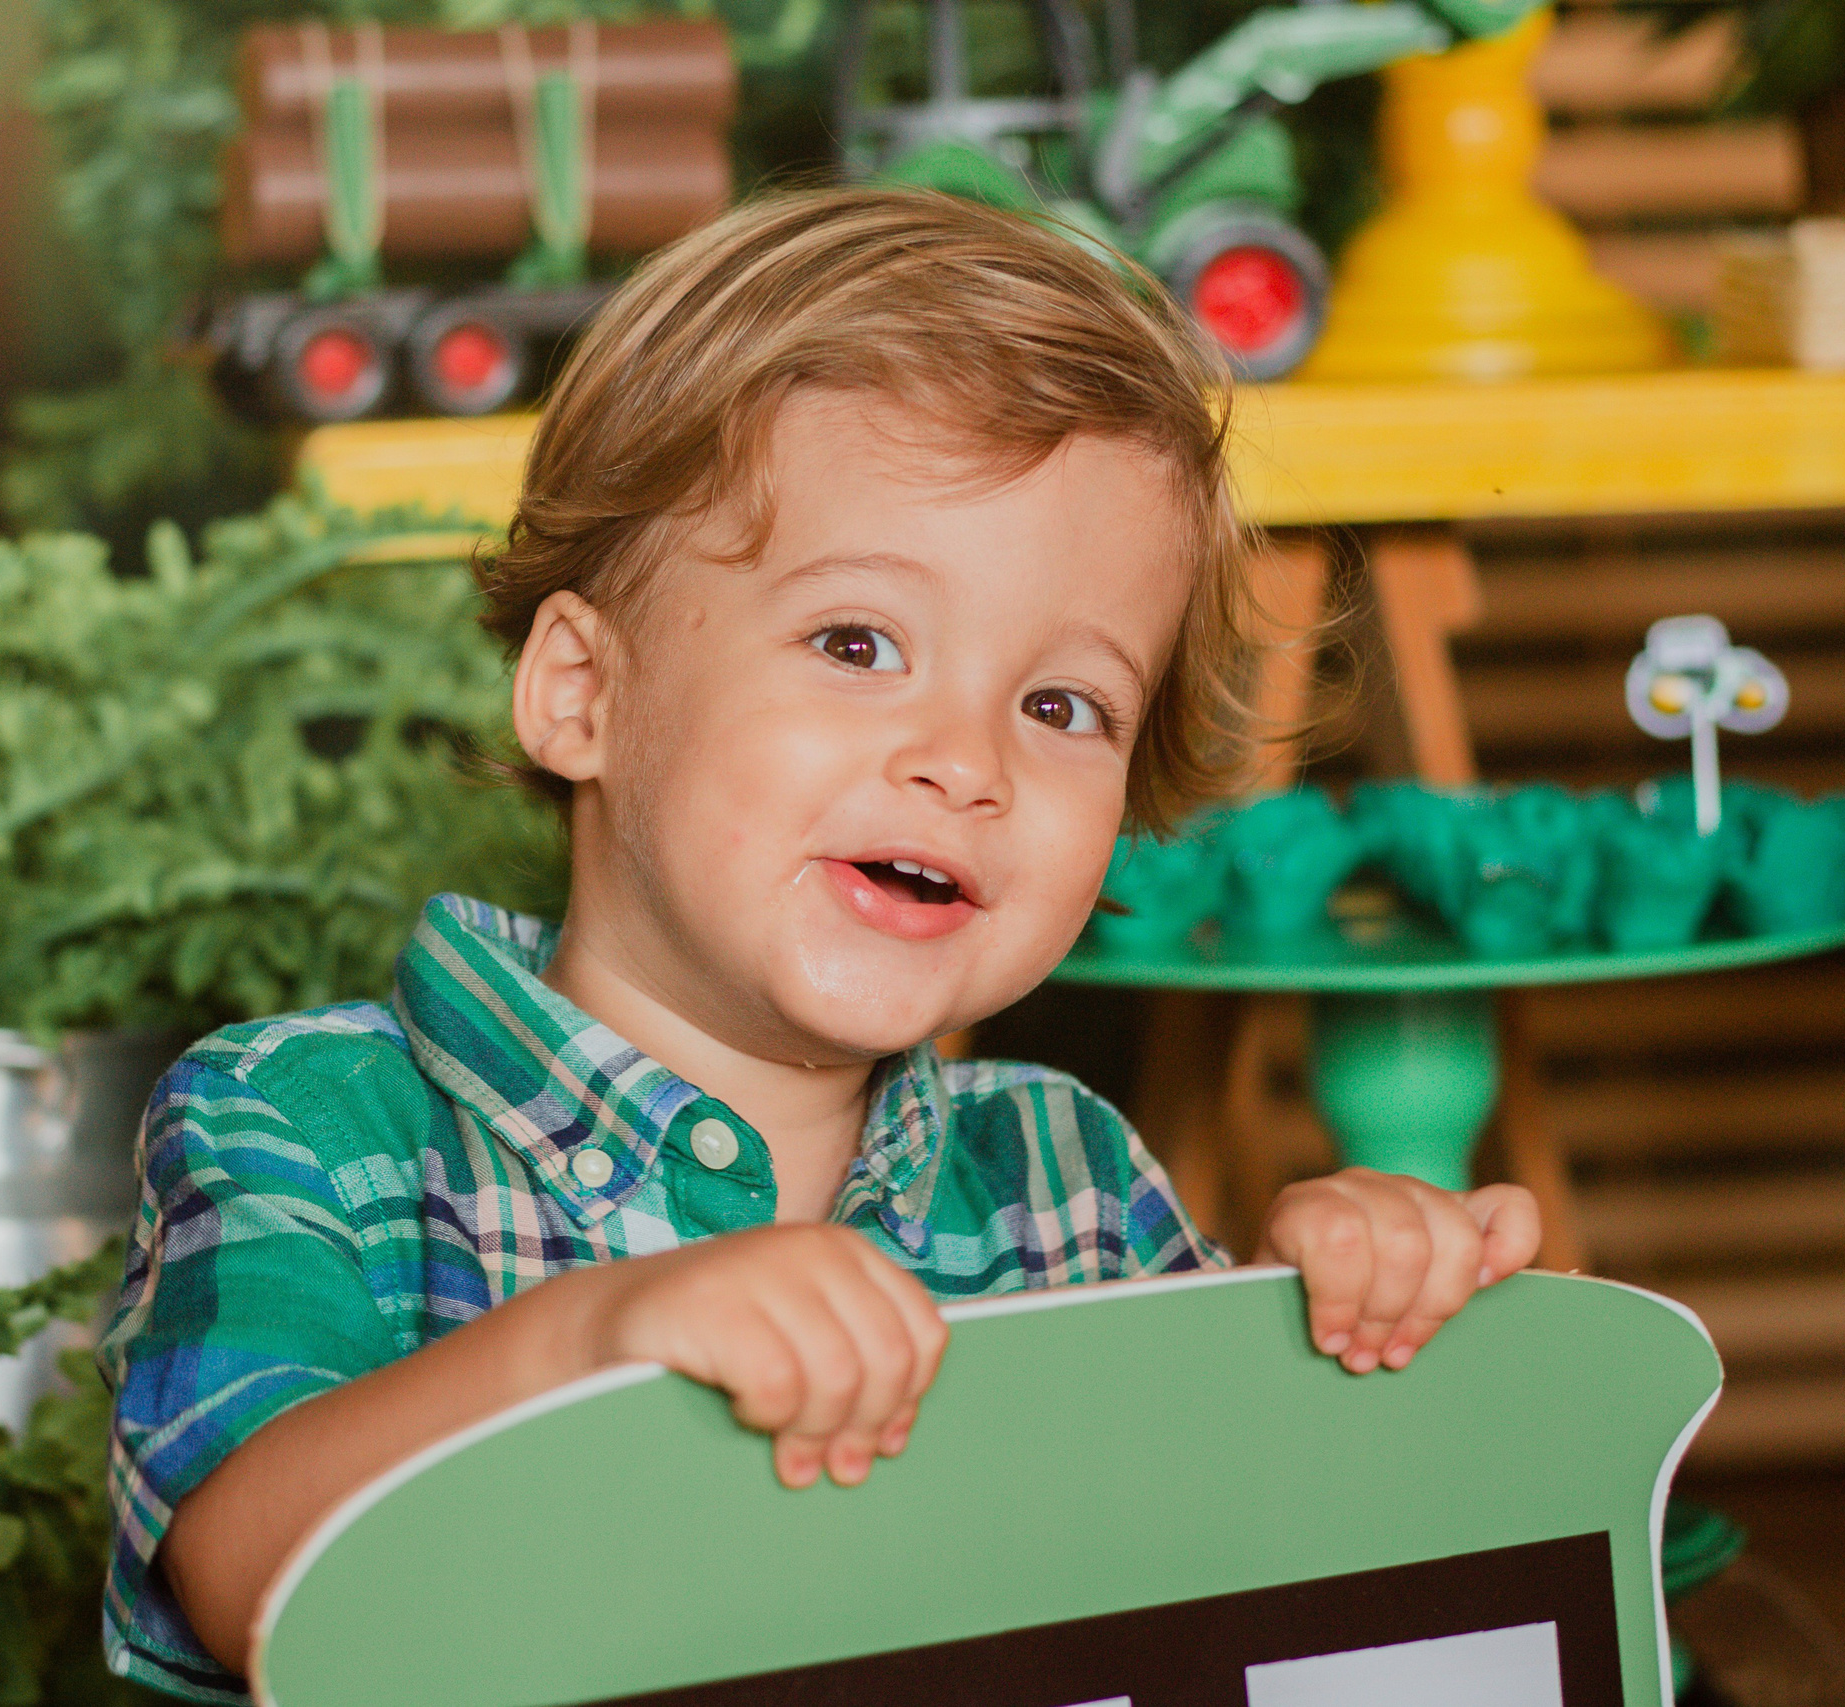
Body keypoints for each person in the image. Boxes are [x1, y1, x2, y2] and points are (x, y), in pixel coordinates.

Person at [98, 186, 1542, 1703]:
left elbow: (1237, 1588)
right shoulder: (307, 1119)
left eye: (1063, 707)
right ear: (582, 694)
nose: (966, 759)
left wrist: (1337, 1331)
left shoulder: (1068, 1185)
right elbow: (246, 1573)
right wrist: (586, 1346)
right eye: (859, 644)